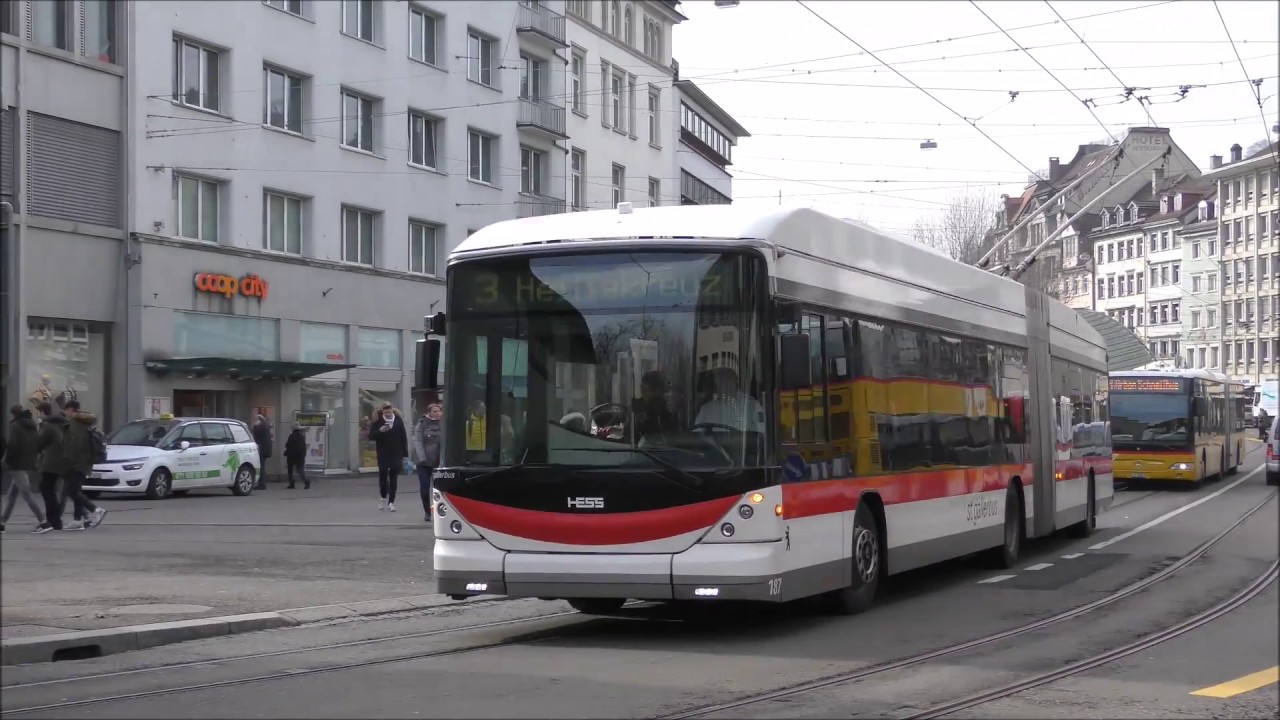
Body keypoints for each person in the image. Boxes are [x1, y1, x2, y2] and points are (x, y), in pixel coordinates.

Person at [61, 401, 107, 530]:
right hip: (83, 462)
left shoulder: (76, 424)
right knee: (76, 491)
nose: (64, 413)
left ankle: (96, 510)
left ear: (71, 410)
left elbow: (75, 446)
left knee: (73, 491)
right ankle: (79, 520)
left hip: (77, 463)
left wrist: (69, 462)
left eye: (66, 410)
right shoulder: (83, 423)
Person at [1, 404, 46, 533]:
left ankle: (43, 522)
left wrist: (6, 460)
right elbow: (37, 444)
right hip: (28, 463)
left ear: (13, 414)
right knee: (12, 495)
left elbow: (12, 446)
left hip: (17, 464)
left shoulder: (15, 426)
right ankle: (2, 522)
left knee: (26, 494)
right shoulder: (32, 425)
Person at [368, 403, 408, 512]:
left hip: (396, 453)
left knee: (394, 477)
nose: (388, 414)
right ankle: (383, 497)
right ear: (382, 412)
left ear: (392, 411)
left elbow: (403, 437)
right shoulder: (378, 422)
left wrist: (405, 455)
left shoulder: (398, 420)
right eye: (385, 413)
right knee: (383, 477)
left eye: (389, 412)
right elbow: (371, 436)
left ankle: (391, 503)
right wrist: (380, 431)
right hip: (383, 453)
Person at [413, 403, 444, 523]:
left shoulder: (444, 424)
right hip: (424, 462)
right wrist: (422, 457)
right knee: (425, 488)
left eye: (439, 411)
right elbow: (418, 441)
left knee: (439, 489)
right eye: (434, 411)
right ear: (429, 412)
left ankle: (439, 511)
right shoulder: (422, 424)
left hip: (439, 462)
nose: (437, 413)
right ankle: (427, 512)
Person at [284, 424, 309, 489]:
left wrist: (286, 453)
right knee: (301, 471)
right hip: (300, 456)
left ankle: (291, 484)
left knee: (290, 471)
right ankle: (306, 482)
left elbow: (288, 445)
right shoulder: (302, 436)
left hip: (292, 456)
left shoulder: (291, 436)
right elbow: (303, 447)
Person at [252, 415, 273, 489]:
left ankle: (262, 484)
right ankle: (262, 483)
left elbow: (255, 432)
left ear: (259, 420)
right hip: (266, 449)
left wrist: (255, 426)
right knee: (262, 466)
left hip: (262, 450)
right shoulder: (265, 425)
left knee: (261, 467)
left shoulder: (261, 426)